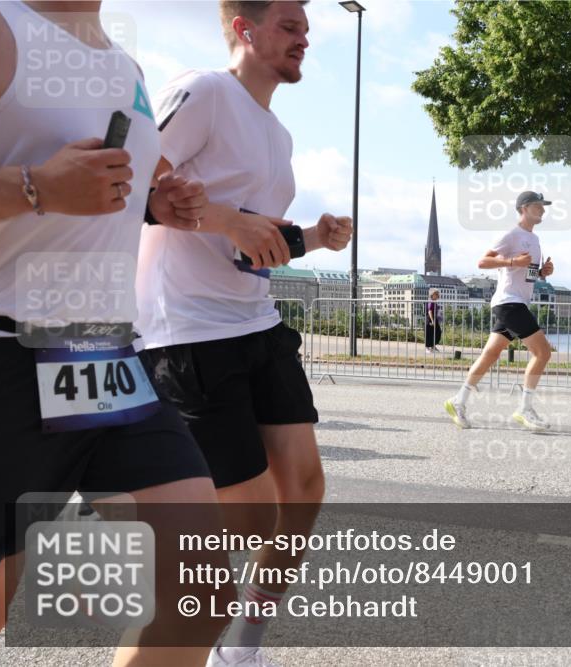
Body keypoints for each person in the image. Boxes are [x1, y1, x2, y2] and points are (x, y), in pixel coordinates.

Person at [0, 1, 234, 664]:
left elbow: (119, 185)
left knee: (198, 582)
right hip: (0, 354)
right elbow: (54, 186)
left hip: (101, 357)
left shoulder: (125, 64)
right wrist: (36, 187)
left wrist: (161, 204)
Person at [135, 2, 352, 665]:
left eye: (306, 27)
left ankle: (243, 648)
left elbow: (253, 237)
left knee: (305, 491)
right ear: (244, 29)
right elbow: (137, 183)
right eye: (290, 25)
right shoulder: (203, 92)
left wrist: (313, 235)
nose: (304, 37)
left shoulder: (278, 136)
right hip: (189, 332)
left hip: (255, 320)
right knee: (249, 523)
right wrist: (230, 220)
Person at [444, 191, 556, 431]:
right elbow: (482, 262)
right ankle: (525, 409)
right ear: (524, 208)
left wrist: (542, 272)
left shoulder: (534, 239)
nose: (543, 210)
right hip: (509, 302)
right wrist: (513, 262)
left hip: (516, 302)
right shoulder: (511, 234)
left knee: (491, 354)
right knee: (543, 353)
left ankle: (458, 401)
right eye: (539, 206)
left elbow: (527, 273)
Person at [425, 288, 443, 352]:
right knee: (429, 333)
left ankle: (433, 346)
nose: (438, 295)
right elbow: (429, 311)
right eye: (436, 294)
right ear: (432, 295)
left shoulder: (434, 302)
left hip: (434, 318)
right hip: (430, 319)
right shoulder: (431, 301)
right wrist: (432, 320)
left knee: (437, 332)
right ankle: (427, 347)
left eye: (438, 294)